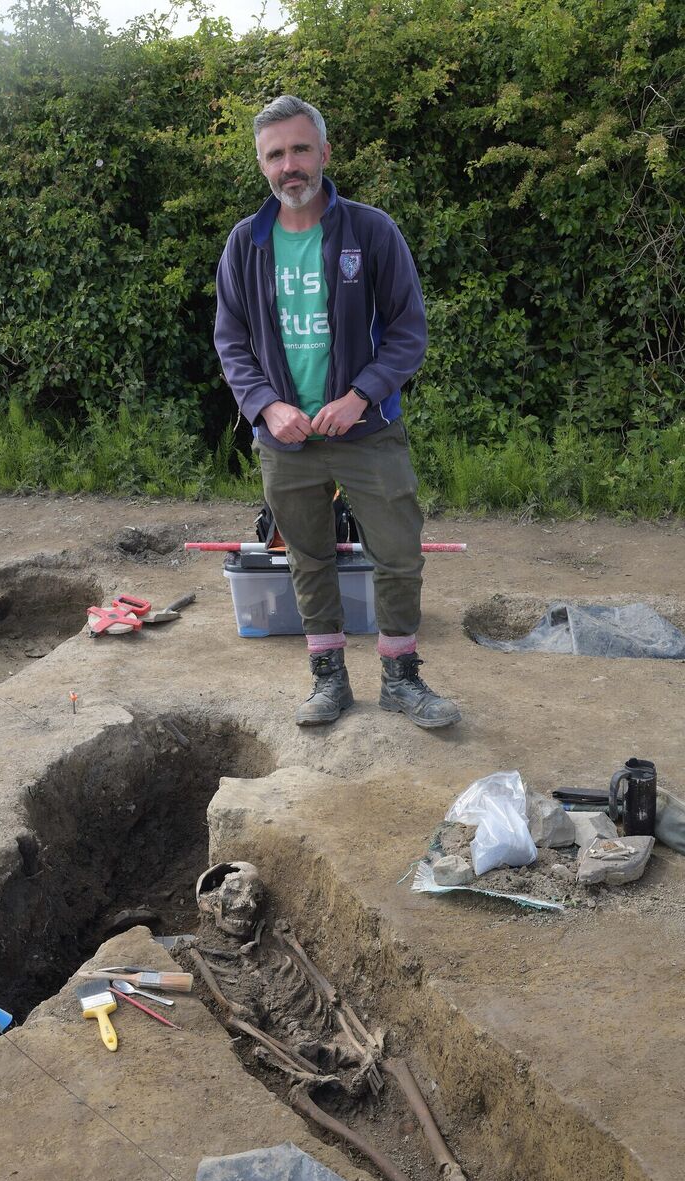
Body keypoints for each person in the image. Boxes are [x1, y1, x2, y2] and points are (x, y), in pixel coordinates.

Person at [214, 94, 460, 730]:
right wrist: (266, 408)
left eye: (300, 149)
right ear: (262, 165)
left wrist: (360, 396)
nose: (289, 165)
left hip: (367, 429)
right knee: (307, 558)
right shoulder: (246, 244)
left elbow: (408, 331)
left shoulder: (371, 231)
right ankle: (329, 681)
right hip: (285, 439)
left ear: (323, 152)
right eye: (276, 155)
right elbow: (231, 341)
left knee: (399, 554)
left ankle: (402, 679)